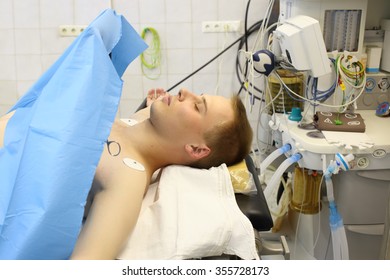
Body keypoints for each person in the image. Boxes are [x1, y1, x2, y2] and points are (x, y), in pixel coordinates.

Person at [0, 87, 253, 259]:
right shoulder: (133, 124)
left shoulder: (126, 180)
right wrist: (157, 104)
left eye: (198, 106)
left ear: (196, 149)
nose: (185, 92)